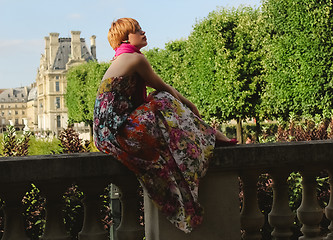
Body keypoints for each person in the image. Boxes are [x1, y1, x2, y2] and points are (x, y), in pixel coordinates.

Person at [93, 18, 236, 233]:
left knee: (158, 104)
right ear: (126, 38)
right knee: (162, 100)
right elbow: (163, 87)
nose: (143, 32)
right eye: (137, 30)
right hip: (118, 132)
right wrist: (190, 105)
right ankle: (210, 134)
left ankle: (207, 133)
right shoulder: (134, 58)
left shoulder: (120, 58)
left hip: (106, 133)